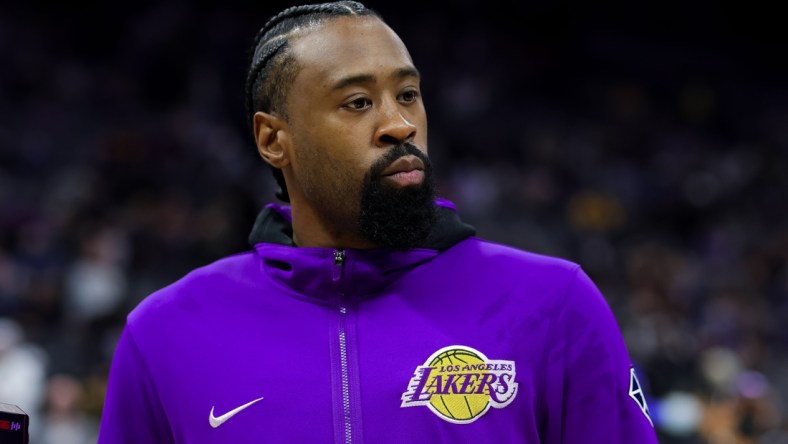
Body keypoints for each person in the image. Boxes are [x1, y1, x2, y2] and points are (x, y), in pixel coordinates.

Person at [98, 2, 659, 442]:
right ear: (274, 139)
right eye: (358, 102)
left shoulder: (553, 302)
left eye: (408, 95)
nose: (399, 124)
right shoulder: (166, 333)